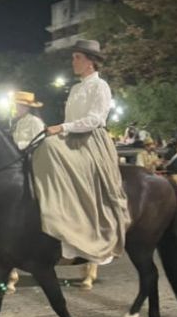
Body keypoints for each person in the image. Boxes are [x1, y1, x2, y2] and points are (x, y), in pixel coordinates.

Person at [33, 39, 131, 265]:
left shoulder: (101, 86)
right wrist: (61, 130)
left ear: (90, 63)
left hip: (92, 141)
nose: (73, 62)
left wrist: (63, 128)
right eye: (73, 57)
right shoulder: (76, 88)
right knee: (42, 146)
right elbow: (71, 119)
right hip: (71, 137)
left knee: (49, 148)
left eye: (77, 57)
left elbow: (96, 119)